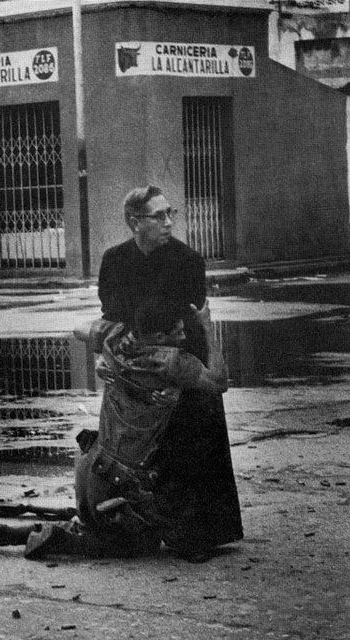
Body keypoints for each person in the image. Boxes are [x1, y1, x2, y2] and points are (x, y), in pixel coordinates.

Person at [0, 296, 228, 559]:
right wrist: (207, 326)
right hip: (123, 482)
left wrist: (105, 353)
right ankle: (60, 542)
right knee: (136, 545)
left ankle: (0, 533)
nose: (184, 335)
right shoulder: (172, 362)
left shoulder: (115, 337)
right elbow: (220, 382)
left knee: (92, 525)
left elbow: (79, 329)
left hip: (91, 467)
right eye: (178, 331)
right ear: (159, 337)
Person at [97, 185, 243, 556]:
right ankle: (138, 527)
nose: (168, 222)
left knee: (192, 437)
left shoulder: (187, 260)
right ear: (134, 222)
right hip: (138, 364)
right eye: (158, 215)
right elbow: (110, 316)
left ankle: (197, 536)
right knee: (132, 451)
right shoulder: (114, 260)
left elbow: (184, 322)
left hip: (183, 359)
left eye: (170, 213)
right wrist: (109, 356)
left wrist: (178, 385)